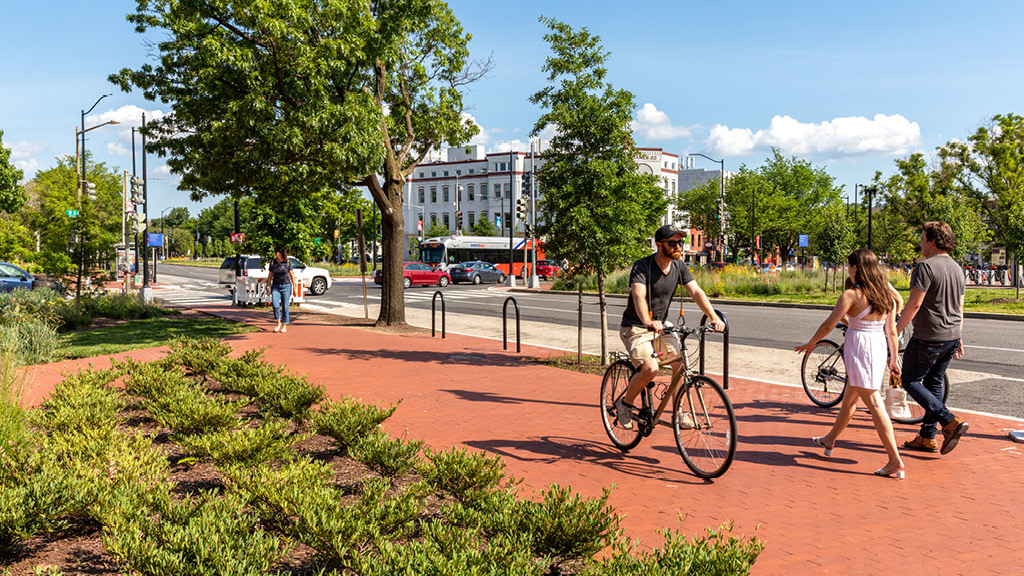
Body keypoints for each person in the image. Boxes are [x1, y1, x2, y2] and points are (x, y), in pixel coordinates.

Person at [795, 249, 905, 478]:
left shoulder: (852, 295)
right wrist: (893, 358)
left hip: (859, 348)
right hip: (877, 346)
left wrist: (811, 343)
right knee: (850, 398)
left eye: (849, 267)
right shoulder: (886, 295)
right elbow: (892, 331)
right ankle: (830, 440)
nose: (848, 271)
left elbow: (828, 325)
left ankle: (894, 459)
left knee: (874, 403)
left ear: (856, 268)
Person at [614, 224, 726, 430]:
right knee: (651, 368)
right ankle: (625, 404)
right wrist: (647, 321)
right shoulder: (642, 266)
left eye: (680, 242)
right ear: (659, 245)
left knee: (680, 363)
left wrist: (712, 317)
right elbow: (639, 296)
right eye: (672, 243)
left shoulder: (679, 267)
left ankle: (679, 412)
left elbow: (696, 292)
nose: (678, 246)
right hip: (636, 327)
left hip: (661, 326)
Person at [895, 221, 968, 455]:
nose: (920, 242)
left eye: (922, 238)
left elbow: (914, 304)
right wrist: (959, 335)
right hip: (951, 335)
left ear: (932, 241)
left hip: (929, 336)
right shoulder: (957, 268)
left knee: (910, 381)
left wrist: (894, 330)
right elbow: (959, 306)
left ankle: (949, 420)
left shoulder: (925, 267)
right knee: (934, 382)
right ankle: (927, 437)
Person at [269, 247, 296, 333]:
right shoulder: (273, 263)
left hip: (286, 286)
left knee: (285, 306)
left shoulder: (287, 263)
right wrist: (268, 286)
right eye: (275, 252)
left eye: (276, 252)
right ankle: (278, 323)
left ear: (281, 253)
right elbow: (270, 275)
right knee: (275, 305)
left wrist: (294, 287)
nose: (275, 253)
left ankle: (284, 325)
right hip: (275, 286)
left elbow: (291, 275)